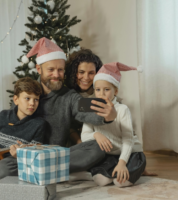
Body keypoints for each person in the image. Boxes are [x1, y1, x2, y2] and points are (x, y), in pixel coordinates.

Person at [12, 37, 117, 173]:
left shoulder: (70, 96)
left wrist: (109, 115)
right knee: (2, 169)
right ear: (39, 68)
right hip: (29, 154)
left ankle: (41, 169)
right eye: (51, 70)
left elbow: (88, 111)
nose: (56, 75)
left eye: (60, 70)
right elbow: (10, 121)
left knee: (96, 148)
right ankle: (50, 170)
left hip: (57, 156)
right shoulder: (26, 92)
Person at [65, 49, 157, 177]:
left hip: (103, 144)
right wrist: (82, 142)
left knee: (100, 152)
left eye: (91, 73)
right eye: (81, 72)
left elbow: (125, 129)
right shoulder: (69, 95)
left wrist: (136, 164)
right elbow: (67, 125)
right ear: (74, 72)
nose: (86, 77)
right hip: (82, 140)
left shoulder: (105, 95)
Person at [81, 62, 146, 187]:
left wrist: (122, 163)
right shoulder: (91, 110)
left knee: (120, 182)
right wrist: (96, 134)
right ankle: (93, 173)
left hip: (131, 153)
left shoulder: (122, 109)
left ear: (115, 91)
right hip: (110, 155)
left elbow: (128, 139)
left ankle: (138, 167)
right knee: (102, 180)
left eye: (106, 90)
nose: (102, 94)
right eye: (98, 90)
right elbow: (84, 136)